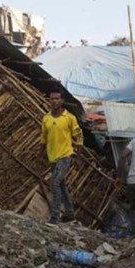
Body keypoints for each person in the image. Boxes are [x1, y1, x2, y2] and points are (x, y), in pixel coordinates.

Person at [40, 88, 83, 224]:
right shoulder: (46, 118)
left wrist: (78, 155)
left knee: (55, 182)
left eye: (57, 98)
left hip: (65, 156)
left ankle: (55, 217)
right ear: (49, 101)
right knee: (61, 185)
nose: (54, 101)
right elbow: (44, 138)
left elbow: (78, 136)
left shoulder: (69, 118)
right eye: (52, 98)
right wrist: (41, 153)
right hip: (52, 157)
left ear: (62, 100)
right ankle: (70, 213)